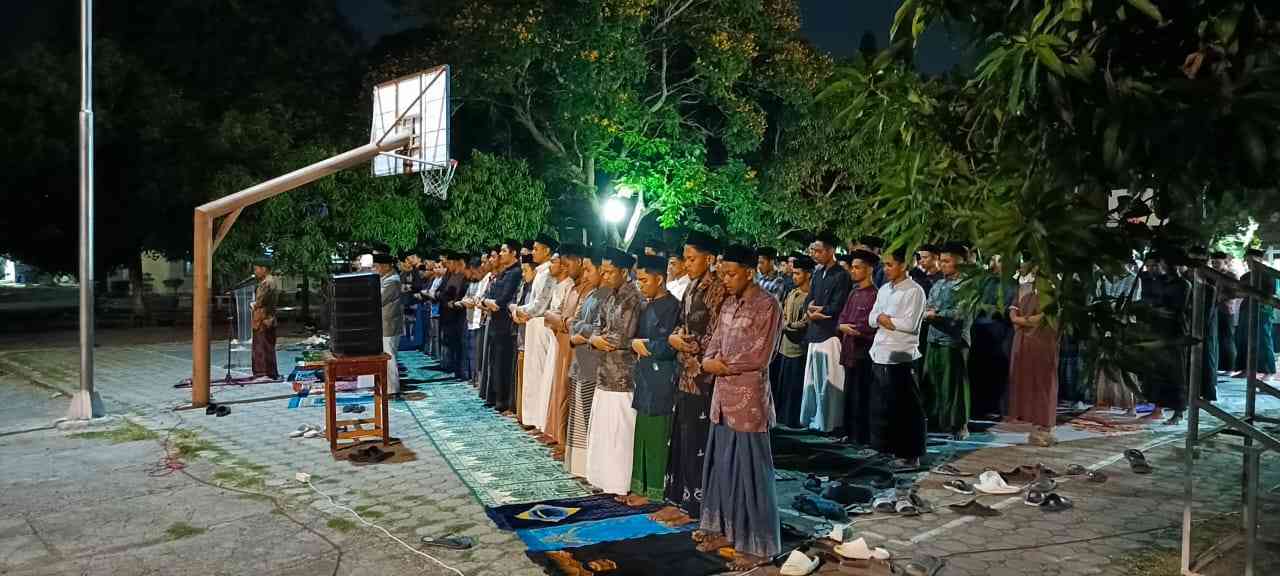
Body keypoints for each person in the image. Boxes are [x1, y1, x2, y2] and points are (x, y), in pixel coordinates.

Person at [693, 244, 782, 571]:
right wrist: (707, 361)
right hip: (721, 399)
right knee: (723, 468)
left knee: (751, 474)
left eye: (732, 274)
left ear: (750, 271)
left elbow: (760, 355)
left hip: (748, 401)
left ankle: (759, 545)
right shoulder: (728, 304)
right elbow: (713, 343)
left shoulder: (767, 305)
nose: (726, 280)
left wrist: (720, 365)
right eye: (723, 274)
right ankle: (724, 530)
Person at [654, 230, 726, 521]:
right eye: (684, 258)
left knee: (698, 442)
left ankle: (696, 507)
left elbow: (716, 334)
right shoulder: (691, 287)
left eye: (691, 258)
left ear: (708, 258)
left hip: (704, 379)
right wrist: (674, 339)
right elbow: (680, 325)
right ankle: (677, 499)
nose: (686, 263)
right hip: (684, 374)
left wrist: (688, 346)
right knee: (681, 439)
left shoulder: (718, 289)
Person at [626, 254, 681, 504]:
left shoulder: (674, 307)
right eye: (638, 281)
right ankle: (640, 487)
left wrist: (643, 345)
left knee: (658, 436)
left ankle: (654, 492)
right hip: (645, 375)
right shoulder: (646, 305)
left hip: (662, 377)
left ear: (659, 279)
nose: (640, 285)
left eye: (644, 280)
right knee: (643, 433)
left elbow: (670, 345)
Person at [586, 248, 641, 496]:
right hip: (604, 372)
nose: (605, 276)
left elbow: (622, 336)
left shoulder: (633, 298)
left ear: (624, 272)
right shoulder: (610, 297)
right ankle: (604, 479)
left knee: (620, 433)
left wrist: (597, 339)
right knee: (604, 431)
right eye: (604, 271)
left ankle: (620, 484)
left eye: (609, 272)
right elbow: (598, 327)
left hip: (623, 377)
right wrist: (595, 338)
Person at [867, 245, 927, 465]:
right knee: (883, 407)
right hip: (880, 353)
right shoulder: (884, 289)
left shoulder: (914, 291)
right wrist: (884, 319)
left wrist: (886, 320)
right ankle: (886, 449)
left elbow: (910, 324)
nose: (886, 269)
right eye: (885, 264)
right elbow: (872, 318)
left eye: (890, 264)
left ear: (904, 265)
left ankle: (910, 455)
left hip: (901, 356)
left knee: (907, 410)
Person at [565, 250, 610, 477]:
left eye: (589, 269)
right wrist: (580, 329)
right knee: (580, 414)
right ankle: (581, 468)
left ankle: (594, 470)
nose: (585, 273)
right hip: (580, 363)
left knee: (592, 416)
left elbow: (598, 330)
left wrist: (580, 331)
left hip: (594, 364)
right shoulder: (592, 294)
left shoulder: (608, 296)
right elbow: (575, 322)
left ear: (602, 270)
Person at [800, 231, 851, 433]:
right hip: (814, 333)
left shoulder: (841, 275)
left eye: (819, 251)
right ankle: (815, 421)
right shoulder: (818, 273)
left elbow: (837, 305)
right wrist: (810, 310)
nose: (815, 254)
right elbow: (808, 299)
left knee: (828, 384)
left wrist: (819, 312)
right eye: (813, 250)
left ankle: (830, 423)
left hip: (830, 336)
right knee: (813, 381)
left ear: (830, 251)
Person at [922, 243, 972, 439]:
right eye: (940, 261)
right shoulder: (938, 284)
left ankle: (959, 424)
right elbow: (928, 306)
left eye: (946, 261)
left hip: (954, 341)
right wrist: (929, 314)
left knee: (955, 386)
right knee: (933, 383)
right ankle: (939, 422)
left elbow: (961, 313)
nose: (942, 265)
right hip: (933, 339)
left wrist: (937, 315)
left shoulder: (967, 286)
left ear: (960, 262)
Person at [1008, 258, 1059, 446]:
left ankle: (1045, 425)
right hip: (1022, 340)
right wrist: (1020, 320)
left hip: (1042, 340)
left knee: (1043, 381)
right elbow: (1013, 311)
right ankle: (1033, 423)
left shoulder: (1051, 291)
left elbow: (1044, 317)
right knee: (1025, 379)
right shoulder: (1023, 287)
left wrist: (1023, 321)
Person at [543, 244, 588, 451]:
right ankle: (560, 438)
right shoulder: (572, 286)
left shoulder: (587, 289)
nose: (565, 267)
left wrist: (559, 320)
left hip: (574, 348)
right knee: (560, 390)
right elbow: (559, 315)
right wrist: (560, 319)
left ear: (579, 262)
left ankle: (566, 443)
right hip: (563, 345)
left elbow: (572, 321)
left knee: (569, 393)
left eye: (568, 263)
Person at [517, 234, 560, 431]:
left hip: (541, 326)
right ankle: (532, 417)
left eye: (536, 249)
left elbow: (541, 305)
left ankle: (540, 421)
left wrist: (520, 311)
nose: (533, 252)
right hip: (533, 325)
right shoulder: (541, 272)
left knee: (540, 373)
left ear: (547, 251)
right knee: (532, 373)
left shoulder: (549, 272)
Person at [836, 249, 878, 445]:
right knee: (849, 393)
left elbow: (871, 325)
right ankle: (849, 432)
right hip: (849, 349)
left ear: (869, 270)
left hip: (864, 352)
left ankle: (862, 436)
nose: (853, 271)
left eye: (857, 267)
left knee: (863, 394)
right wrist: (843, 326)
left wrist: (855, 330)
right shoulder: (853, 293)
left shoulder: (875, 295)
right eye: (852, 267)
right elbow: (843, 317)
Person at [971, 254, 1017, 419]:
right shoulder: (985, 281)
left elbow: (1008, 308)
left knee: (996, 371)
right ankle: (980, 407)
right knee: (979, 371)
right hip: (980, 331)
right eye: (993, 260)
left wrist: (993, 309)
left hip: (999, 332)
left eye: (999, 261)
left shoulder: (1012, 284)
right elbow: (974, 302)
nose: (994, 264)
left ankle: (996, 407)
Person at [480, 241, 522, 412]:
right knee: (494, 361)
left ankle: (502, 399)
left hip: (505, 324)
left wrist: (490, 302)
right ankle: (496, 396)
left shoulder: (515, 273)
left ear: (514, 253)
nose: (501, 253)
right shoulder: (503, 273)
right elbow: (491, 296)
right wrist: (487, 301)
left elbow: (502, 300)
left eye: (504, 251)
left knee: (502, 362)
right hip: (495, 322)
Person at [775, 255, 814, 428]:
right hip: (785, 346)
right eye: (794, 273)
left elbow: (805, 322)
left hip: (798, 348)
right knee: (784, 385)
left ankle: (793, 420)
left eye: (798, 273)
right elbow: (783, 313)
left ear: (808, 274)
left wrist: (786, 325)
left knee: (794, 387)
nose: (794, 276)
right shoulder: (792, 293)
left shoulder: (810, 297)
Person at [373, 252, 404, 396]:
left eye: (377, 266)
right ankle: (386, 386)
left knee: (389, 357)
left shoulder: (393, 280)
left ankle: (392, 390)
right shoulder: (385, 278)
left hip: (390, 325)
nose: (375, 269)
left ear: (386, 266)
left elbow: (379, 299)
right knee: (385, 356)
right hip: (384, 324)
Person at [511, 254, 538, 419]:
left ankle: (530, 418)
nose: (523, 274)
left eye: (525, 270)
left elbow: (532, 312)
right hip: (521, 337)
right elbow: (517, 307)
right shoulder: (525, 287)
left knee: (530, 382)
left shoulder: (536, 290)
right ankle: (521, 415)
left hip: (531, 340)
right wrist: (515, 311)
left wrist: (520, 312)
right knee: (522, 380)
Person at [249, 256, 280, 380]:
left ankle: (262, 374)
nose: (255, 272)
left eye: (256, 269)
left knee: (261, 347)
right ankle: (270, 373)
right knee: (267, 347)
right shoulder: (271, 281)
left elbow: (259, 302)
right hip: (268, 319)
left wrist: (252, 304)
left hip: (263, 320)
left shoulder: (267, 282)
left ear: (264, 269)